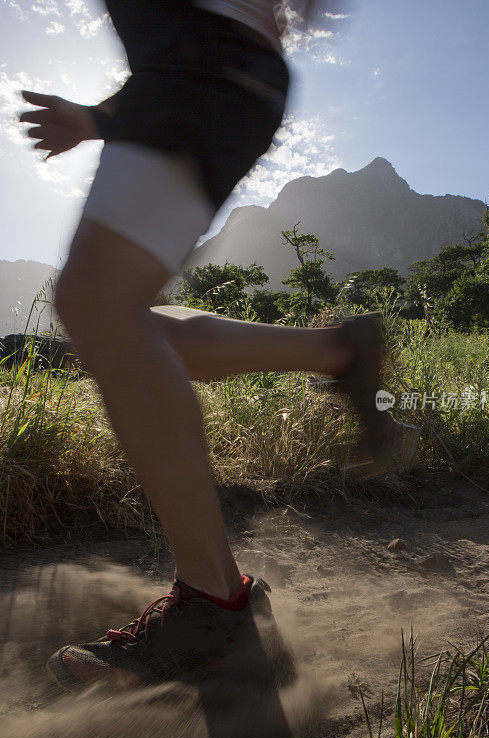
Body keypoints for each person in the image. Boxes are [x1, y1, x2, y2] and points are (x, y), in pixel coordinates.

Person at [18, 0, 399, 691]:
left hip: (201, 62)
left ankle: (211, 607)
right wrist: (98, 118)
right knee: (119, 321)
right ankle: (335, 352)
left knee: (99, 305)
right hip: (214, 68)